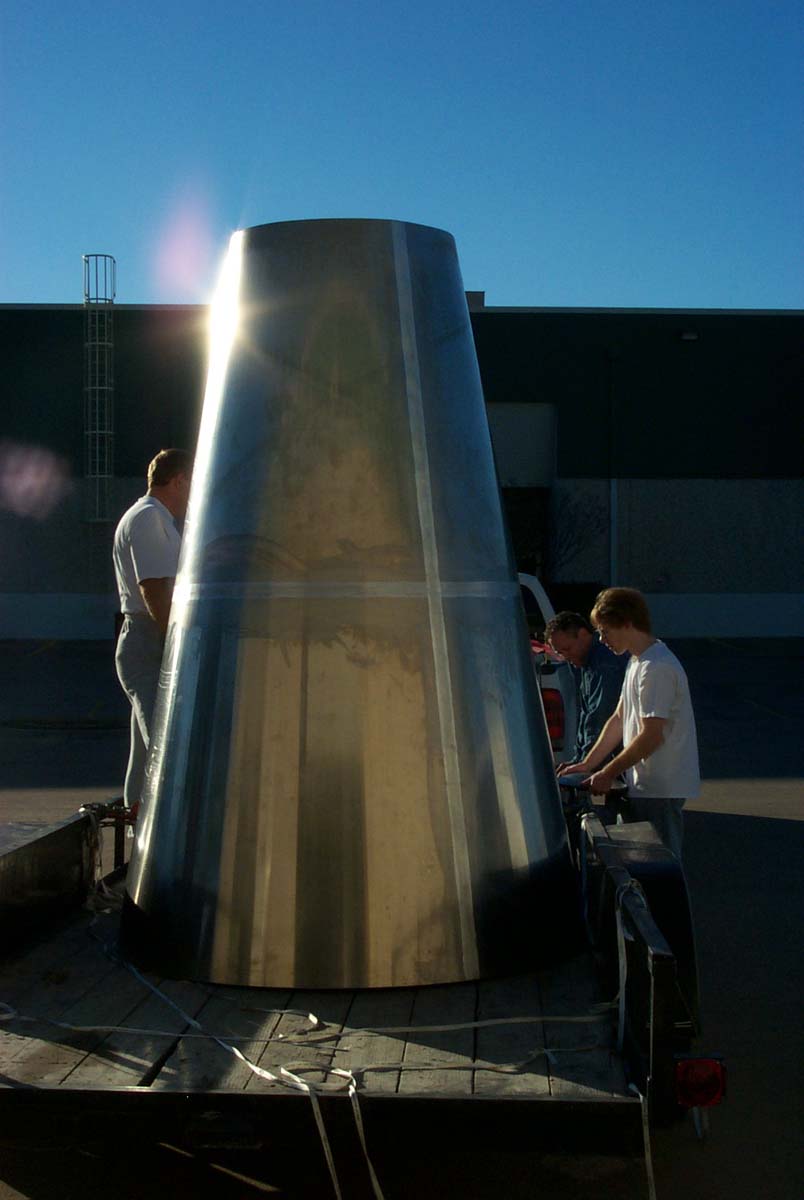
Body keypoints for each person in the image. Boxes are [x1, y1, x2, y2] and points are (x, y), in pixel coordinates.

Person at [568, 587, 700, 859]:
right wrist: (588, 764)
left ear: (627, 623)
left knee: (661, 865)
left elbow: (652, 735)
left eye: (605, 631)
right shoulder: (637, 661)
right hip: (641, 784)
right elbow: (619, 718)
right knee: (637, 862)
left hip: (659, 787)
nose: (601, 639)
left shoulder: (657, 667)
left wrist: (607, 773)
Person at [112, 448, 192, 813]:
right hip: (150, 639)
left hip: (148, 637)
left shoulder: (157, 519)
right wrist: (176, 641)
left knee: (145, 753)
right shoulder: (148, 518)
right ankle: (168, 824)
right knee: (162, 744)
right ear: (179, 480)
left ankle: (140, 826)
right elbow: (154, 588)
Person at [545, 611, 627, 772]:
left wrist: (586, 764)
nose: (565, 657)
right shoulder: (586, 662)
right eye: (560, 653)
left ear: (583, 634)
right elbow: (586, 715)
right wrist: (579, 760)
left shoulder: (604, 661)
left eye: (567, 649)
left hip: (619, 762)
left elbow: (599, 715)